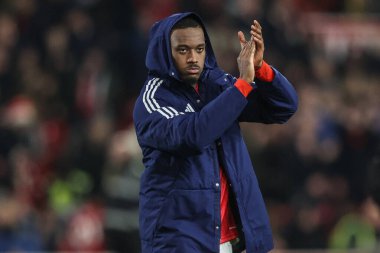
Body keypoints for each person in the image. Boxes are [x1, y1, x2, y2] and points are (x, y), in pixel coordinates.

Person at [133, 12, 298, 253]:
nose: (193, 58)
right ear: (164, 52)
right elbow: (194, 135)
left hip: (234, 240)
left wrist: (260, 69)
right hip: (181, 241)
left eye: (200, 49)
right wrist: (242, 85)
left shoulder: (216, 84)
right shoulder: (153, 99)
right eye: (183, 50)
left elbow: (283, 108)